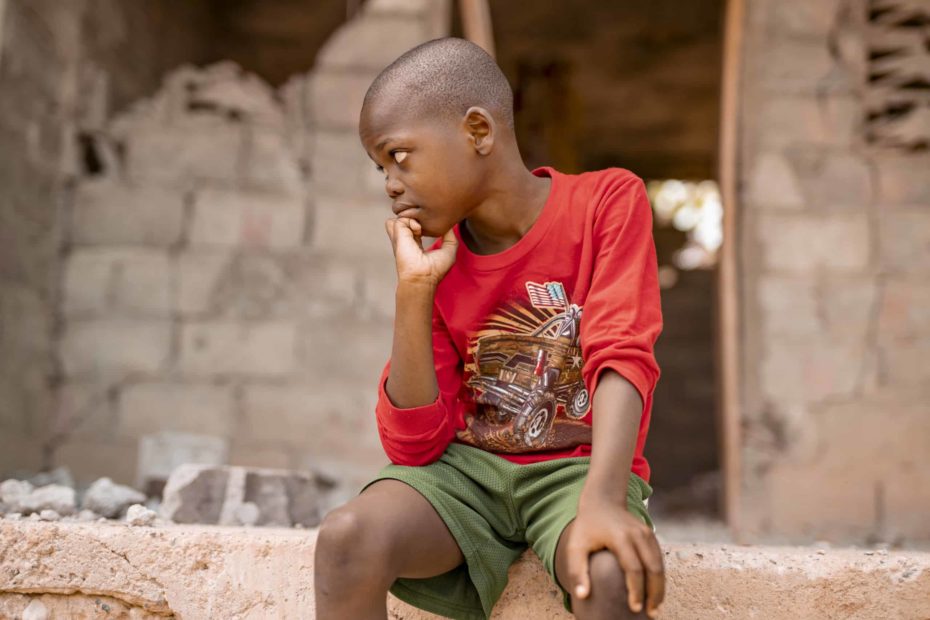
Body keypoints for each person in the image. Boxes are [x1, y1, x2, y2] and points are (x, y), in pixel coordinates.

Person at [314, 37, 665, 620]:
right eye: (380, 167)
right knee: (346, 538)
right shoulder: (440, 257)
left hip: (578, 471)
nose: (390, 183)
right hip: (465, 478)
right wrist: (414, 291)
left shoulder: (607, 201)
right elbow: (414, 445)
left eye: (399, 155)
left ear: (478, 132)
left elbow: (622, 353)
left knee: (608, 576)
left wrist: (603, 501)